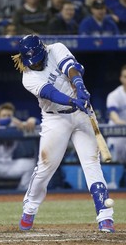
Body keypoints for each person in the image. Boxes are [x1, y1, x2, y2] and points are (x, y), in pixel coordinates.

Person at [11, 34, 115, 233]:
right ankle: (30, 209)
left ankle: (105, 216)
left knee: (92, 163)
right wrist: (72, 100)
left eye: (38, 60)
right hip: (55, 118)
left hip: (83, 113)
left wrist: (80, 87)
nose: (36, 64)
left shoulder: (56, 48)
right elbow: (50, 93)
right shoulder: (28, 78)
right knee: (45, 167)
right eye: (31, 62)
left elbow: (71, 68)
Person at [0, 102, 37, 191]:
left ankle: (21, 192)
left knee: (30, 164)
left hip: (8, 164)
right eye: (4, 115)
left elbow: (34, 123)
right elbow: (2, 123)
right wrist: (11, 119)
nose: (7, 117)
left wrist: (32, 120)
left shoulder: (15, 125)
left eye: (9, 115)